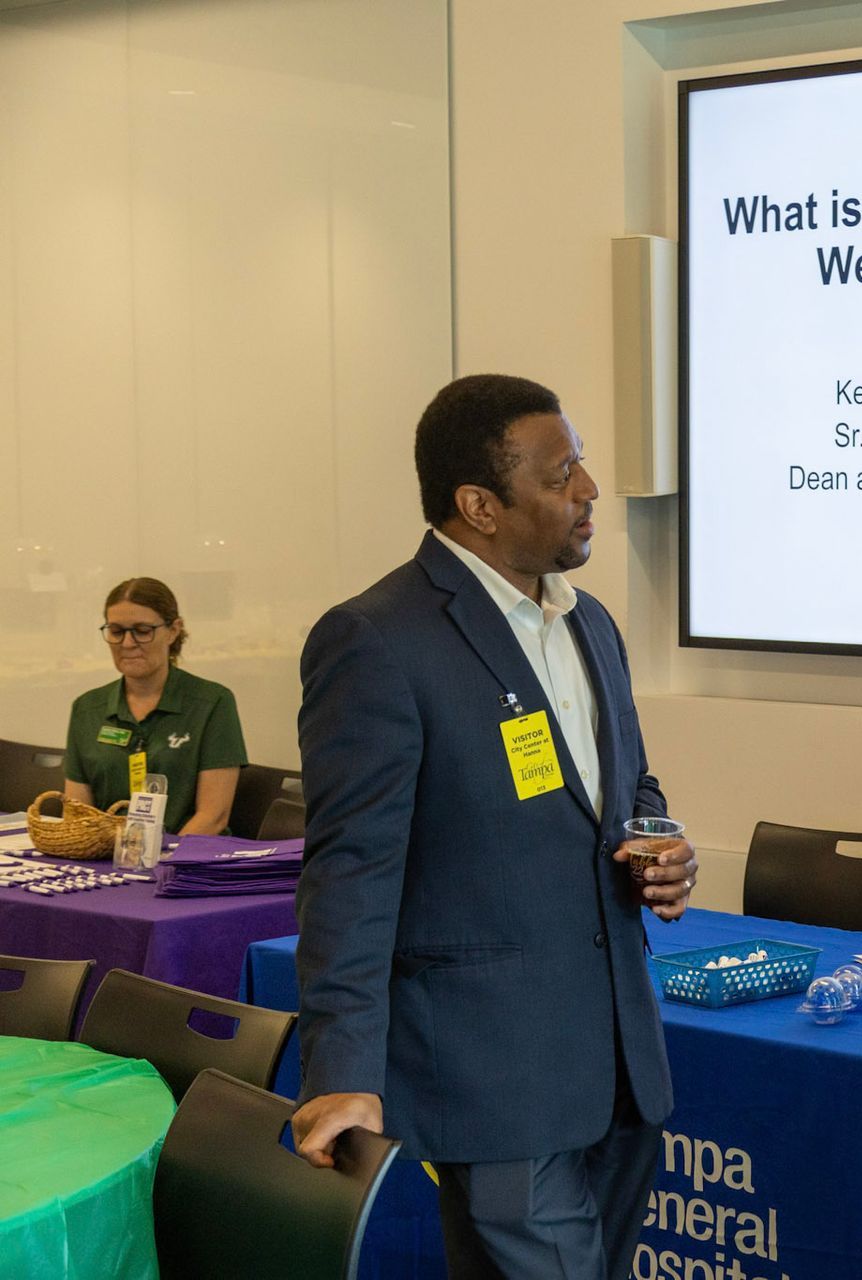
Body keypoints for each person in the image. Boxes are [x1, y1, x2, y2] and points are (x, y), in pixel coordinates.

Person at [290, 374, 698, 1279]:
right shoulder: (377, 639)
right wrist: (342, 1071)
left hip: (619, 1066)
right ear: (479, 504)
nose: (590, 489)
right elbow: (350, 875)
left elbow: (623, 783)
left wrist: (659, 840)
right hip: (490, 1076)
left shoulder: (588, 621)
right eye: (561, 476)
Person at [63, 577, 247, 834]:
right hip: (107, 860)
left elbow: (214, 816)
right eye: (116, 631)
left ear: (173, 630)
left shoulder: (212, 703)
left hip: (185, 861)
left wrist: (160, 864)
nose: (127, 643)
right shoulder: (87, 708)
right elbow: (77, 814)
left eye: (142, 631)